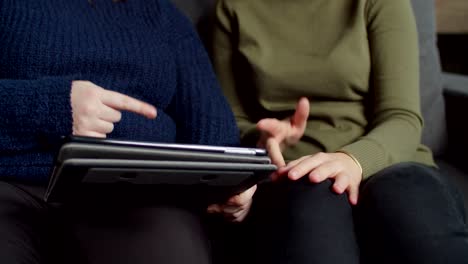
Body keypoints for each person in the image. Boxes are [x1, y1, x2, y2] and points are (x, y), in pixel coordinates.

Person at [210, 0, 468, 263]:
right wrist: (262, 138)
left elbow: (402, 117)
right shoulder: (233, 8)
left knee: (408, 207)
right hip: (296, 172)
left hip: (391, 162)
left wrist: (352, 161)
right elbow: (230, 119)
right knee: (311, 204)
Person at [0, 0, 255, 263]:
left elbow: (213, 128)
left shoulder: (162, 15)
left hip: (132, 191)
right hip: (12, 181)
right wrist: (52, 107)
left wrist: (230, 183)